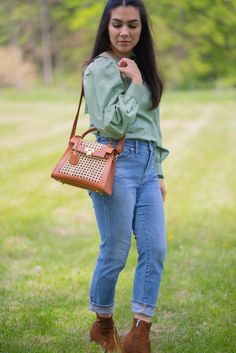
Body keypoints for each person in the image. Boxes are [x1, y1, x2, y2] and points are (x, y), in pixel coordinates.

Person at [83, 0, 169, 352]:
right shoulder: (99, 69)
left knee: (155, 248)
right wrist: (133, 84)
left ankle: (140, 333)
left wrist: (159, 172)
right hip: (115, 164)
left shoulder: (142, 66)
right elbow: (110, 125)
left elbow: (152, 124)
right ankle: (103, 324)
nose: (124, 32)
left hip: (148, 166)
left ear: (141, 28)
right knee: (116, 252)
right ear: (106, 26)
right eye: (117, 24)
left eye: (132, 25)